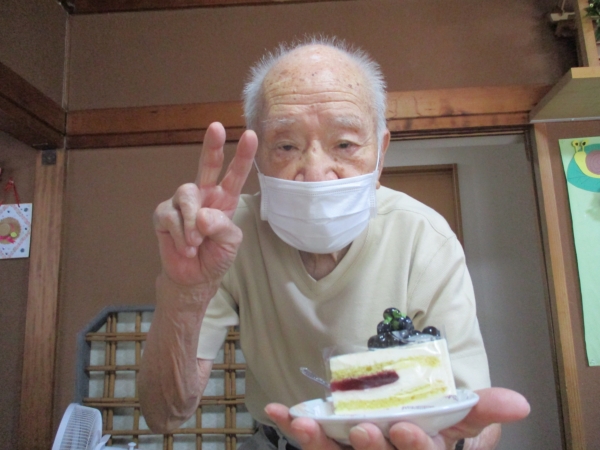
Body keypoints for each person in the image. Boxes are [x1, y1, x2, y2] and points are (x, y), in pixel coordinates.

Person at [138, 37, 530, 450]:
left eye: (344, 144)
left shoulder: (422, 236)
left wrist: (447, 444)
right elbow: (164, 415)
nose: (316, 172)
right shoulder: (226, 235)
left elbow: (476, 414)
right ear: (258, 157)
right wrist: (184, 292)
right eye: (286, 146)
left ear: (380, 153)